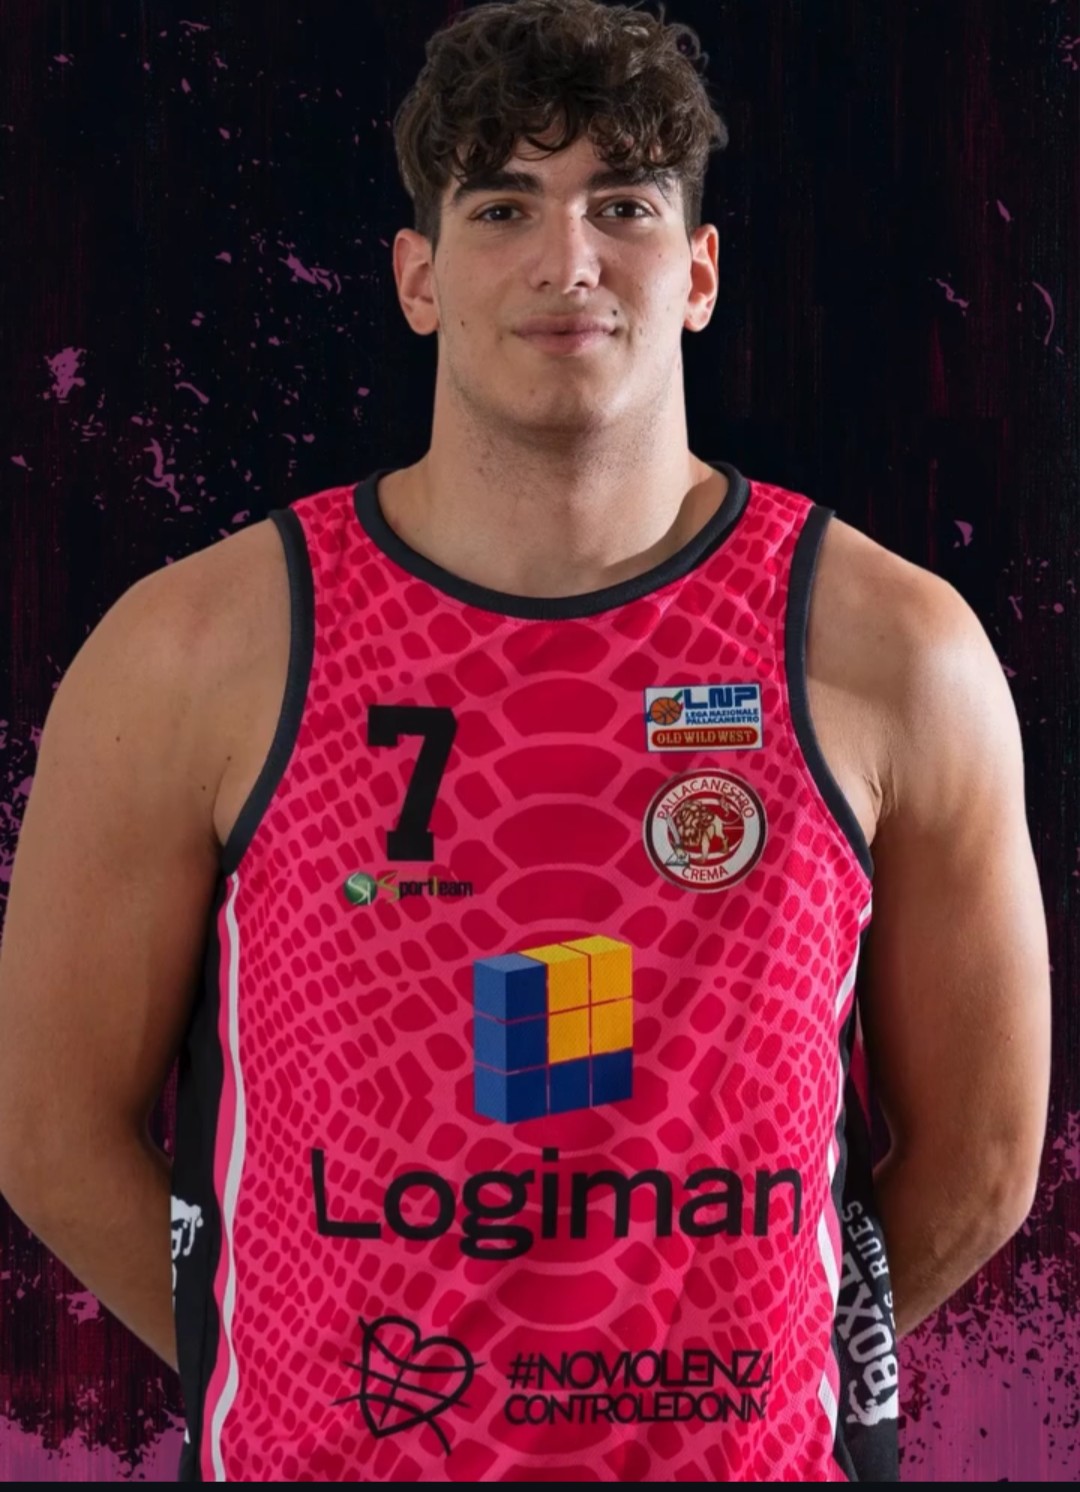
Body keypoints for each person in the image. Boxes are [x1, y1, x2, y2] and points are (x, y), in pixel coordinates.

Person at [0, 0, 1050, 1482]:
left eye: (623, 205)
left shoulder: (897, 652)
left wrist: (756, 1372)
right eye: (503, 206)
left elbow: (985, 1162)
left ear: (700, 273)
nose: (569, 261)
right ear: (418, 278)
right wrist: (285, 1363)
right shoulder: (193, 650)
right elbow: (47, 1130)